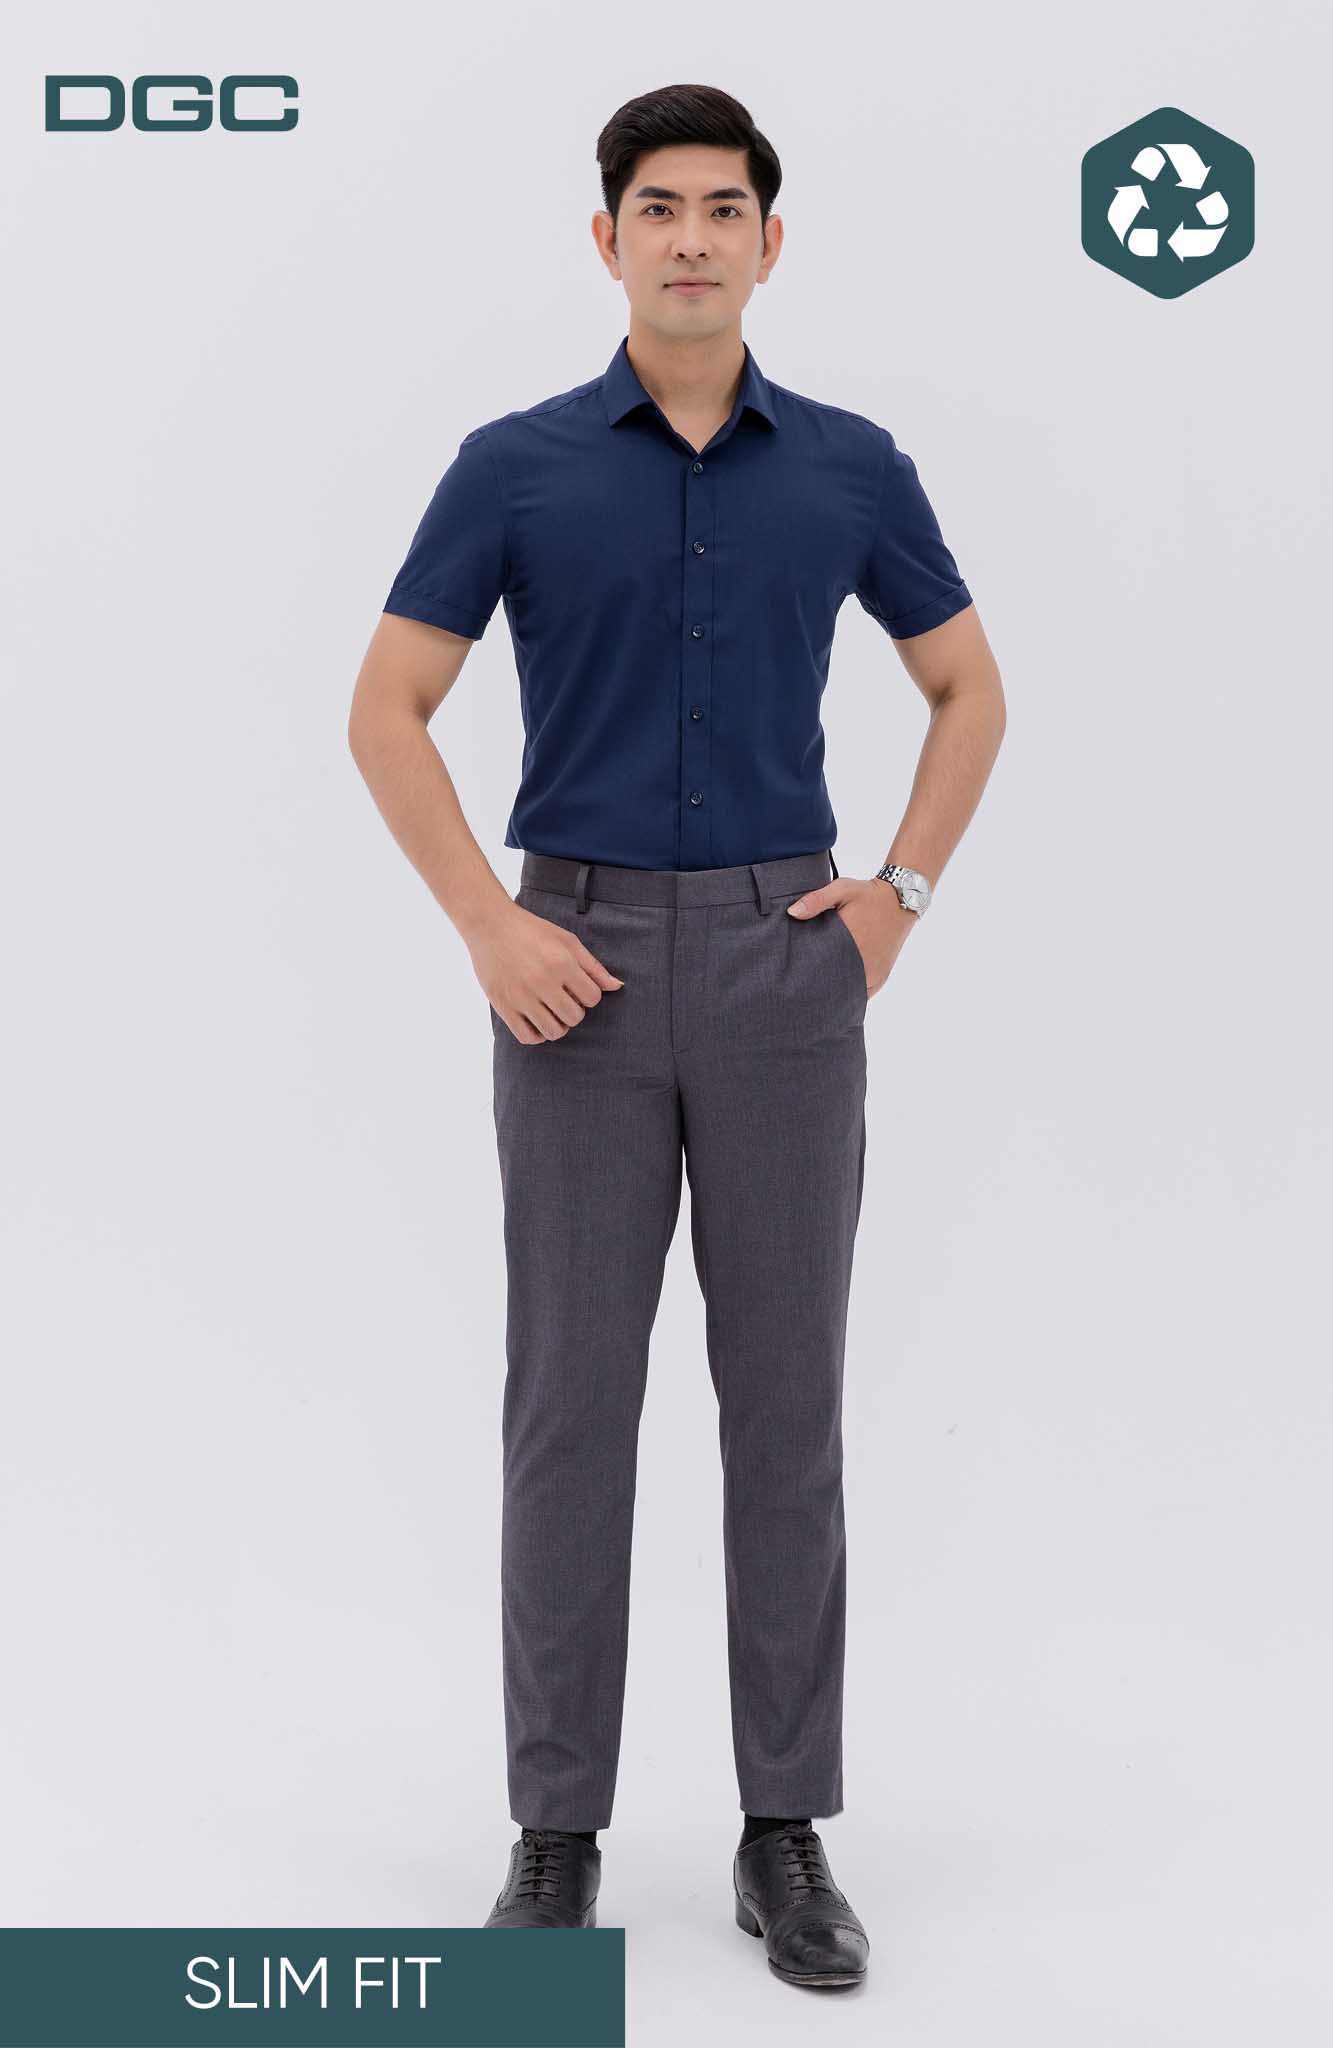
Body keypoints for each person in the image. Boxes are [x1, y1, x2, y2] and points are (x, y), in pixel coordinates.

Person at [348, 81, 1006, 1990]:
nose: (693, 237)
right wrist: (490, 927)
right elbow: (387, 706)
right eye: (659, 207)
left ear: (769, 244)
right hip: (574, 967)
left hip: (787, 965)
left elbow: (966, 687)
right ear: (607, 240)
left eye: (725, 208)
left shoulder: (853, 468)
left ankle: (782, 1829)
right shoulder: (517, 467)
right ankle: (554, 1832)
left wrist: (896, 897)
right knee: (569, 1409)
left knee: (784, 1407)